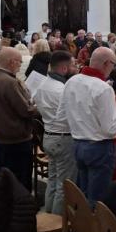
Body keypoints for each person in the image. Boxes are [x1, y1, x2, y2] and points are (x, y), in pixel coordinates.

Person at [57, 47, 116, 206]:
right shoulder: (103, 88)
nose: (114, 68)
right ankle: (94, 229)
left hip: (78, 144)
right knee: (98, 199)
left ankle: (82, 227)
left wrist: (81, 122)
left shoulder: (72, 81)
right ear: (106, 64)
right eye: (114, 64)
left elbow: (61, 116)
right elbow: (109, 129)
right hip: (99, 147)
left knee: (83, 194)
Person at [0, 47, 38, 191]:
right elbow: (25, 110)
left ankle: (5, 212)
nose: (20, 66)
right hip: (16, 141)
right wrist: (37, 106)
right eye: (19, 63)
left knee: (4, 183)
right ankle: (20, 213)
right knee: (19, 184)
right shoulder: (9, 82)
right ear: (12, 62)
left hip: (0, 140)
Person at [33, 50, 75, 214]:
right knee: (63, 186)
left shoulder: (43, 84)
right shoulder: (61, 89)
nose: (75, 67)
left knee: (52, 181)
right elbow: (70, 116)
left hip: (49, 136)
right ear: (64, 68)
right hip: (62, 138)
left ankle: (48, 214)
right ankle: (57, 226)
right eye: (72, 65)